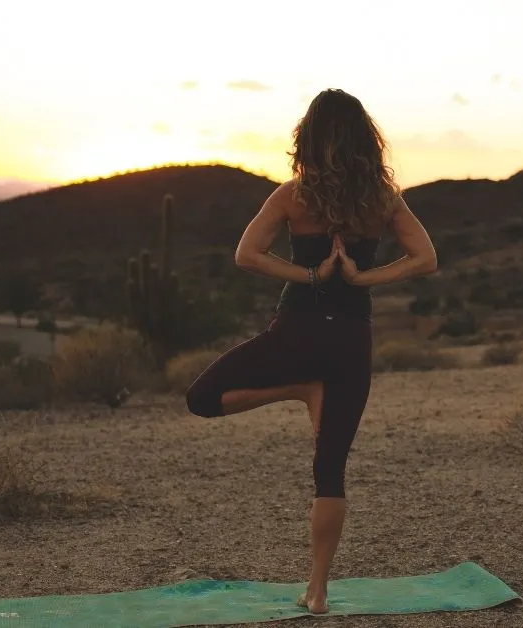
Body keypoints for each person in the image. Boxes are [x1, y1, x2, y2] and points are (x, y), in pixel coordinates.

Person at [184, 88, 438, 614]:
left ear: (310, 138)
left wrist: (308, 274)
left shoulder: (294, 195)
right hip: (350, 340)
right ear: (367, 140)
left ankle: (295, 386)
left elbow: (247, 255)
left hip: (297, 331)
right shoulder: (382, 200)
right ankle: (317, 591)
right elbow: (425, 258)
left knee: (202, 397)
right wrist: (362, 275)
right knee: (330, 471)